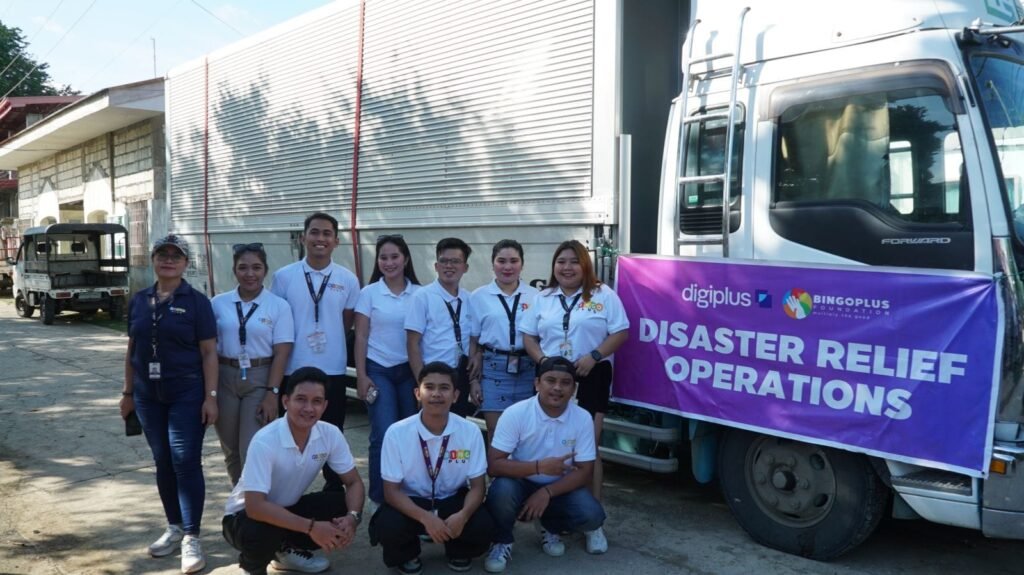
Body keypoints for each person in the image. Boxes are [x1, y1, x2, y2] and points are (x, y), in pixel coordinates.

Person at [120, 234, 218, 574]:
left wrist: (211, 397)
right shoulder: (139, 300)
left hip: (187, 392)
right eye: (162, 254)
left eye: (176, 256)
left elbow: (209, 352)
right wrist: (127, 393)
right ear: (153, 260)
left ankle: (192, 536)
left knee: (185, 460)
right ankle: (174, 527)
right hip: (148, 395)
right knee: (162, 460)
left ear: (186, 263)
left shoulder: (197, 302)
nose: (169, 260)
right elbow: (132, 348)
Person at [222, 366, 366, 575]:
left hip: (287, 507)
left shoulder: (330, 433)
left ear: (325, 406)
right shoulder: (265, 440)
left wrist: (352, 518)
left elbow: (354, 482)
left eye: (316, 401)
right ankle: (252, 567)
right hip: (242, 518)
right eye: (301, 399)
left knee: (340, 503)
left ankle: (284, 551)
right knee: (262, 528)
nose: (308, 408)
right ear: (285, 401)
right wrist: (312, 527)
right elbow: (255, 507)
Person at [521, 240, 629, 502]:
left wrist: (595, 356)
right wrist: (543, 361)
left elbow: (621, 332)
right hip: (551, 377)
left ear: (585, 265)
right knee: (547, 441)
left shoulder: (603, 294)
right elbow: (528, 337)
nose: (567, 268)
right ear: (553, 266)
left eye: (573, 262)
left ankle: (591, 510)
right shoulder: (543, 298)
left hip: (591, 374)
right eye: (561, 262)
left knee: (588, 446)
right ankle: (551, 504)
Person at [483, 357, 607, 573]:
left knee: (592, 514)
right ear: (537, 383)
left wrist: (547, 492)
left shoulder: (582, 418)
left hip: (559, 487)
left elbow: (585, 471)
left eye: (565, 383)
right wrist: (539, 467)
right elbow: (494, 465)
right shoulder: (516, 413)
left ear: (574, 389)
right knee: (501, 491)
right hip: (520, 482)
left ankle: (550, 526)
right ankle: (502, 540)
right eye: (550, 380)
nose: (557, 388)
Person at [370, 362, 495, 574]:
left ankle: (459, 550)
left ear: (455, 396)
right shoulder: (396, 432)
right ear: (417, 394)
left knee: (483, 523)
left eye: (444, 388)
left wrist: (463, 515)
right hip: (412, 502)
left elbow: (477, 487)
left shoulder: (470, 431)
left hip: (451, 499)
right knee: (388, 525)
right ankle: (408, 554)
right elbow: (391, 492)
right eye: (429, 387)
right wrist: (426, 517)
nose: (436, 394)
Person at [270, 212, 360, 492]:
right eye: (315, 232)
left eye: (327, 234)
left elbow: (346, 322)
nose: (320, 239)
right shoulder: (284, 277)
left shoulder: (347, 279)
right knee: (288, 435)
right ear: (303, 237)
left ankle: (333, 493)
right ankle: (283, 494)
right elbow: (278, 322)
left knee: (331, 434)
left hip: (332, 369)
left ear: (336, 241)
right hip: (293, 368)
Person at [212, 242, 294, 486]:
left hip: (260, 378)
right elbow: (207, 349)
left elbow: (282, 352)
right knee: (231, 450)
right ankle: (240, 500)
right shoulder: (218, 303)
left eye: (256, 267)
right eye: (243, 268)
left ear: (265, 270)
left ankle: (255, 500)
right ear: (234, 270)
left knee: (251, 448)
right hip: (225, 376)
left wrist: (272, 393)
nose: (250, 274)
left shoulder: (278, 305)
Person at [354, 234, 421, 508]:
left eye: (395, 257)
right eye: (383, 257)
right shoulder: (369, 293)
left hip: (409, 372)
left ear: (405, 259)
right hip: (378, 370)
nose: (389, 262)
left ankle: (408, 493)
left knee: (410, 435)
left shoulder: (420, 293)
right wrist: (361, 376)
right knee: (383, 433)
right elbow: (360, 336)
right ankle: (379, 497)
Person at [468, 239, 539, 441]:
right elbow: (473, 341)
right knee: (495, 430)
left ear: (522, 264)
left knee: (525, 431)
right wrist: (473, 381)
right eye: (501, 261)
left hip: (527, 367)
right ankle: (498, 464)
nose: (507, 267)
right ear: (493, 264)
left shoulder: (535, 296)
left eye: (514, 261)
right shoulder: (479, 296)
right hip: (493, 368)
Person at [405, 237, 477, 417]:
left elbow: (473, 339)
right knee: (432, 424)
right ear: (436, 266)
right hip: (433, 375)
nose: (449, 266)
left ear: (465, 267)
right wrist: (423, 383)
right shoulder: (422, 297)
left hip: (460, 374)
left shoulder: (469, 299)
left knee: (457, 423)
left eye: (455, 261)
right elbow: (412, 343)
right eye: (444, 261)